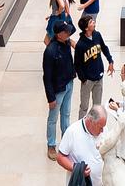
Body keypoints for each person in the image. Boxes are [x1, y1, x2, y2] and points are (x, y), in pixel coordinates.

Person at [43, 19, 77, 158]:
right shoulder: (50, 51)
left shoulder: (66, 43)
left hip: (69, 83)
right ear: (59, 34)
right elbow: (47, 77)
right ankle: (51, 145)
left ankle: (66, 142)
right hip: (58, 89)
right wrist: (50, 98)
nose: (69, 33)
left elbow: (73, 30)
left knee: (66, 114)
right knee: (53, 118)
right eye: (66, 31)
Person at [54, 104, 108, 186]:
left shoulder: (104, 129)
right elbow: (60, 157)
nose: (102, 131)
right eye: (100, 127)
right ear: (90, 121)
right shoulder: (72, 132)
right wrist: (77, 169)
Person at [75, 14, 114, 114]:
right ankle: (82, 127)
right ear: (86, 28)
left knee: (97, 107)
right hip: (87, 81)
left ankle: (95, 126)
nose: (94, 23)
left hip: (99, 78)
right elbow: (77, 64)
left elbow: (104, 48)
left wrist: (110, 61)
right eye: (91, 22)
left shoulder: (97, 35)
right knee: (84, 107)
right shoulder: (80, 45)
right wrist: (83, 79)